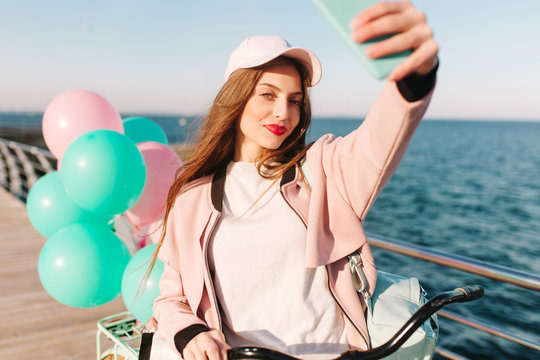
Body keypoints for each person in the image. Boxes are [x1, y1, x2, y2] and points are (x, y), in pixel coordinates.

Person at [145, 1, 439, 359]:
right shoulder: (192, 199)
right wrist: (191, 334)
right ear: (236, 99)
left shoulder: (324, 171)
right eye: (267, 94)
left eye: (295, 100)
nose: (283, 112)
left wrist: (415, 75)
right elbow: (172, 298)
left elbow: (382, 137)